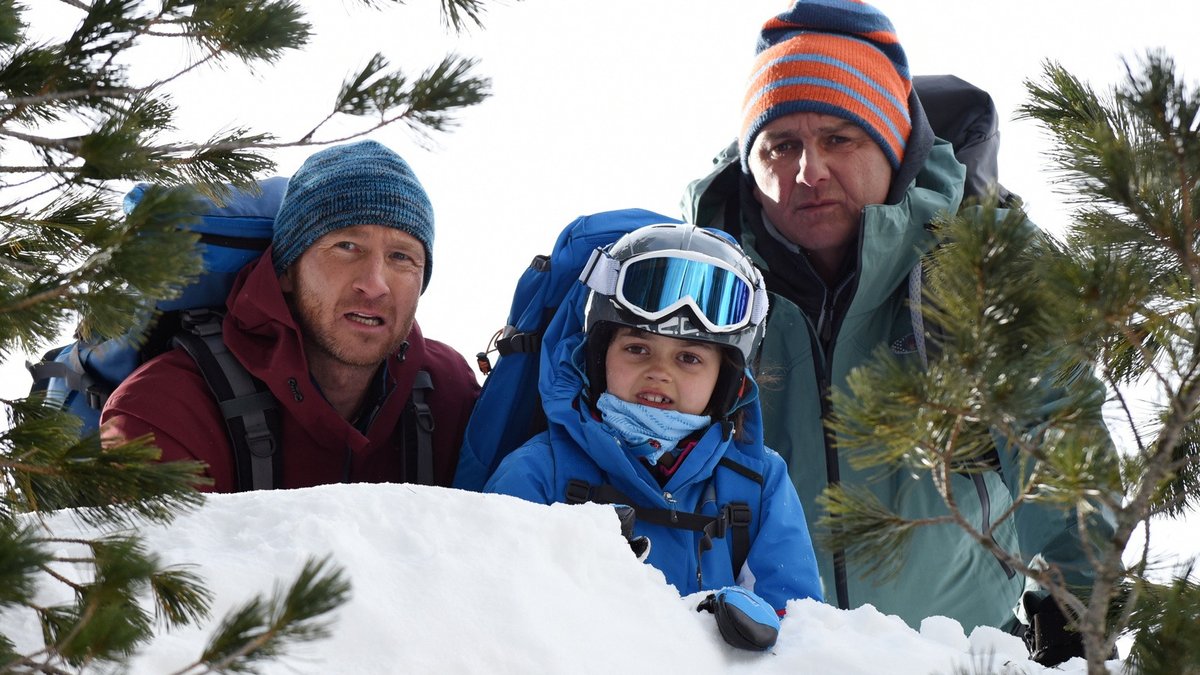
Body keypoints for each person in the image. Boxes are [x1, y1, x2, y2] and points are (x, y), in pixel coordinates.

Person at [680, 0, 1115, 663]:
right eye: (782, 146)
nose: (808, 171)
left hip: (955, 654)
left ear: (895, 148)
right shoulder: (702, 285)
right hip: (756, 655)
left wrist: (1078, 613)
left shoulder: (981, 265)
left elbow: (1058, 438)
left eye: (839, 139)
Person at [484, 223, 822, 648]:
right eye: (637, 349)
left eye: (688, 357)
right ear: (597, 355)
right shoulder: (538, 473)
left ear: (727, 379)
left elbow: (800, 630)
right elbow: (496, 621)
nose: (659, 372)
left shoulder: (758, 483)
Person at [102, 140, 480, 491]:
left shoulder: (447, 392)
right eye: (347, 246)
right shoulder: (164, 408)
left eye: (402, 257)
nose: (375, 283)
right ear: (285, 271)